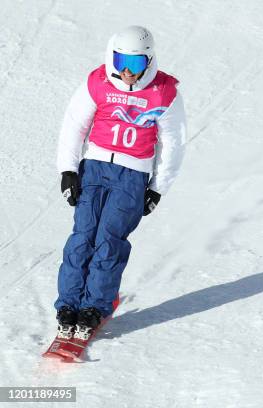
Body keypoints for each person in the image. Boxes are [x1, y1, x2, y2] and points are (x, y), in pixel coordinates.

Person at [54, 26, 186, 340]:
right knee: (82, 237)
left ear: (149, 61)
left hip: (132, 176)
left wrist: (157, 187)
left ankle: (94, 307)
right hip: (95, 170)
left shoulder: (164, 91)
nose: (127, 71)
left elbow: (174, 143)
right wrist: (68, 171)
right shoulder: (97, 82)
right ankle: (68, 305)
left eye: (137, 64)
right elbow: (74, 125)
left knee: (109, 241)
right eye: (121, 61)